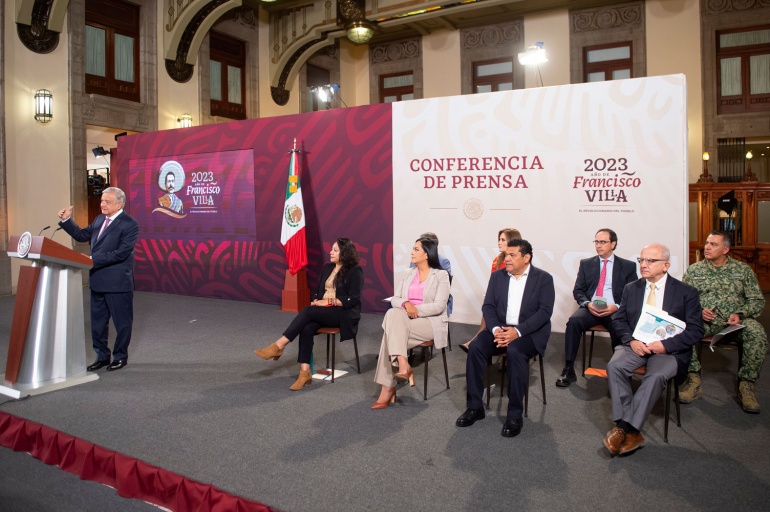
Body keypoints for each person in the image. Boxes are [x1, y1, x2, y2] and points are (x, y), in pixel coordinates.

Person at [603, 244, 703, 456]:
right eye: (641, 260)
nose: (644, 265)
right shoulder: (632, 288)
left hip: (669, 350)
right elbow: (619, 320)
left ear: (666, 265)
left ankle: (625, 429)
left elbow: (696, 331)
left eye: (650, 261)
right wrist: (630, 340)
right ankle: (629, 429)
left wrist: (665, 345)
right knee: (615, 366)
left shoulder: (686, 292)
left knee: (656, 375)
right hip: (636, 345)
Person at [456, 239, 555, 438]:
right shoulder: (497, 277)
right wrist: (495, 330)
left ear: (526, 258)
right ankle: (475, 407)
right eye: (506, 255)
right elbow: (488, 307)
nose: (506, 259)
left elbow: (544, 313)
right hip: (499, 329)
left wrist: (517, 332)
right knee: (475, 348)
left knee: (515, 352)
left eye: (512, 255)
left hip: (528, 332)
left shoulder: (543, 279)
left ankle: (514, 415)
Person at [254, 238, 363, 390]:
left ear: (345, 253)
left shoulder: (354, 270)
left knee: (307, 311)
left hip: (342, 313)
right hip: (323, 311)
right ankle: (304, 372)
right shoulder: (327, 267)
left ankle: (279, 345)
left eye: (335, 250)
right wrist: (317, 300)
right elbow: (319, 291)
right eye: (331, 249)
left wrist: (329, 302)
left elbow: (354, 298)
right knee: (307, 327)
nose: (331, 252)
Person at [680, 231, 766, 413]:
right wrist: (699, 311)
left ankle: (747, 386)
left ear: (726, 249)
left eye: (713, 244)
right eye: (706, 243)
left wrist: (740, 313)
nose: (707, 247)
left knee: (757, 333)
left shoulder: (742, 270)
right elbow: (682, 300)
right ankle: (693, 380)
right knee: (680, 330)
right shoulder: (695, 270)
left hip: (736, 322)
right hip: (705, 321)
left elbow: (757, 300)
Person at [57, 187, 140, 371]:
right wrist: (66, 221)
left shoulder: (130, 224)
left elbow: (121, 254)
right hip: (98, 281)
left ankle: (120, 356)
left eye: (107, 202)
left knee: (122, 323)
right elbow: (82, 235)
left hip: (117, 283)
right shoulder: (99, 219)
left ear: (119, 204)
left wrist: (93, 260)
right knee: (98, 325)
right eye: (102, 201)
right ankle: (102, 356)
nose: (102, 204)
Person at [372, 237, 450, 408]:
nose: (411, 252)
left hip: (430, 321)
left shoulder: (441, 275)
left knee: (389, 335)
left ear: (427, 254)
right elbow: (396, 299)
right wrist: (406, 304)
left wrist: (415, 310)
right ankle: (403, 364)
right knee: (393, 312)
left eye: (416, 249)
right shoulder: (408, 273)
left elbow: (439, 306)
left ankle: (388, 387)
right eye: (412, 249)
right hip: (404, 318)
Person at [556, 228, 638, 387]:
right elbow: (578, 290)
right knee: (573, 322)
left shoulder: (627, 266)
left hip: (614, 309)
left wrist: (617, 307)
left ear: (613, 244)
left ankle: (620, 371)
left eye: (603, 242)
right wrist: (588, 304)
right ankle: (568, 368)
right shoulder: (586, 264)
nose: (598, 245)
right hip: (591, 307)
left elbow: (634, 294)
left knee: (618, 325)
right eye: (596, 241)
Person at [459, 228, 522, 353]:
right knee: (488, 306)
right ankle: (480, 340)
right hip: (499, 299)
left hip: (514, 302)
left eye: (503, 240)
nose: (499, 242)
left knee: (490, 307)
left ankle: (477, 339)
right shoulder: (497, 260)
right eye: (499, 239)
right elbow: (494, 285)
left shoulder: (520, 262)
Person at [412, 232, 452, 315]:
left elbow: (446, 284)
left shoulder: (443, 261)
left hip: (433, 296)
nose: (413, 252)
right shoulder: (415, 259)